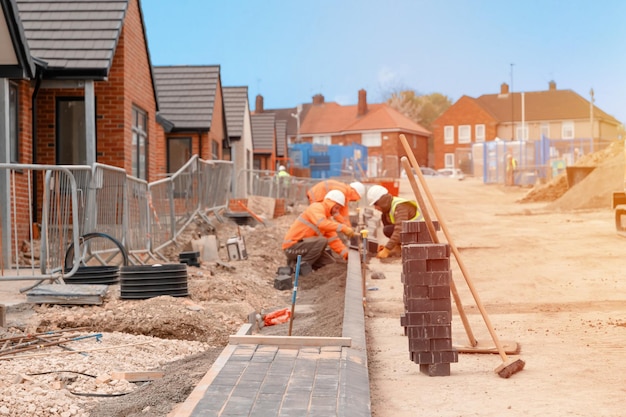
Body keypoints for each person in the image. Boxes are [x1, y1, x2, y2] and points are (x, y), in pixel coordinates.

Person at [283, 190, 356, 270]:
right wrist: (343, 228)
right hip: (292, 247)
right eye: (336, 208)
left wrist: (347, 255)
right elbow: (321, 223)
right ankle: (300, 268)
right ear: (330, 204)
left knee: (330, 264)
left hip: (305, 247)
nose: (336, 211)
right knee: (322, 241)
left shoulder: (327, 219)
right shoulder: (316, 207)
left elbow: (333, 241)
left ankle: (301, 264)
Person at [367, 184, 422, 259]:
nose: (375, 208)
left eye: (375, 204)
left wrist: (387, 249)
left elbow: (399, 229)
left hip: (420, 234)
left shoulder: (400, 206)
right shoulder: (389, 209)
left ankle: (400, 248)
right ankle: (397, 247)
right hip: (411, 231)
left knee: (388, 229)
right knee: (385, 221)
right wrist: (389, 246)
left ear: (382, 201)